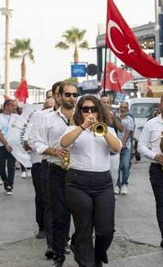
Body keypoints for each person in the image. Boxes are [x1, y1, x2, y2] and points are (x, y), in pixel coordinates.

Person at [61, 95, 122, 267]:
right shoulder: (72, 129)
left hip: (102, 182)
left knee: (106, 229)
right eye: (85, 109)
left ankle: (97, 253)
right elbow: (64, 143)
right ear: (79, 111)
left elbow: (116, 148)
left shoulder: (107, 129)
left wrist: (100, 130)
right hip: (77, 182)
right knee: (84, 226)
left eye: (93, 109)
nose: (89, 112)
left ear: (99, 111)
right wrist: (83, 126)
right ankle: (87, 261)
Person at [32, 82, 78, 267]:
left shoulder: (83, 116)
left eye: (74, 95)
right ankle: (59, 254)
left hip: (79, 171)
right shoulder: (46, 118)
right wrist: (52, 151)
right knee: (59, 214)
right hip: (56, 169)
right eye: (67, 94)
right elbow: (36, 141)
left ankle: (76, 245)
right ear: (59, 96)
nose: (71, 98)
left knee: (83, 214)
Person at [137, 93, 163, 254]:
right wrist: (155, 155)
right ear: (160, 106)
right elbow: (141, 146)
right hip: (157, 167)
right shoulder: (151, 124)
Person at [23, 97, 55, 241]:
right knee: (42, 196)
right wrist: (39, 145)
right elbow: (26, 143)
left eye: (53, 108)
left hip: (55, 164)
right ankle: (42, 227)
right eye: (48, 107)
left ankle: (56, 229)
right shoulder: (35, 122)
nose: (50, 110)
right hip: (38, 163)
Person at [0, 99, 21, 194]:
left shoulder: (17, 117)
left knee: (11, 165)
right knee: (1, 166)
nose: (12, 107)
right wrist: (6, 144)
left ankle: (10, 185)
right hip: (1, 145)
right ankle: (5, 180)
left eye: (13, 105)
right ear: (5, 106)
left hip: (12, 145)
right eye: (10, 105)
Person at [100, 96, 124, 195]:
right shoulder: (96, 115)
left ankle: (113, 190)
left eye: (108, 102)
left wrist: (113, 118)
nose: (106, 104)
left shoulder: (115, 116)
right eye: (103, 102)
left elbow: (121, 129)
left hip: (113, 152)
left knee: (114, 174)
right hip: (101, 151)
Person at [116, 101, 134, 195]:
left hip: (125, 147)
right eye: (121, 107)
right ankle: (117, 185)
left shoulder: (130, 120)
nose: (123, 109)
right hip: (115, 146)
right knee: (117, 167)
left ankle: (124, 184)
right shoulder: (116, 118)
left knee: (125, 166)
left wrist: (122, 143)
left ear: (127, 109)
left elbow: (128, 133)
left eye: (125, 108)